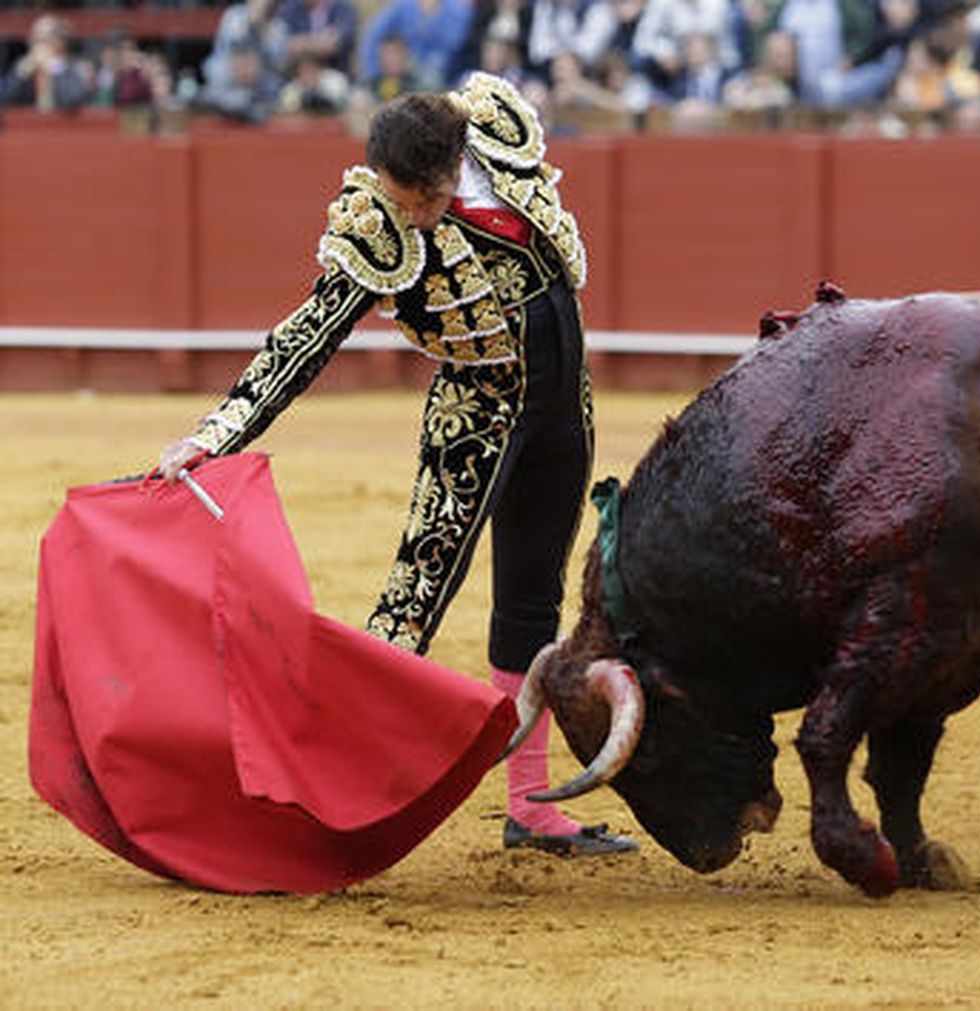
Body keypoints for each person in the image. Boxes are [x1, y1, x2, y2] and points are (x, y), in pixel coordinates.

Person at [155, 74, 637, 858]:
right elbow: (307, 334)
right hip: (473, 420)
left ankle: (530, 807)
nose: (411, 213)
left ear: (456, 160)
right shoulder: (377, 223)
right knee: (411, 607)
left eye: (425, 197)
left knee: (532, 603)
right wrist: (219, 431)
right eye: (401, 197)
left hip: (563, 413)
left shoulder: (499, 137)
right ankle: (331, 794)